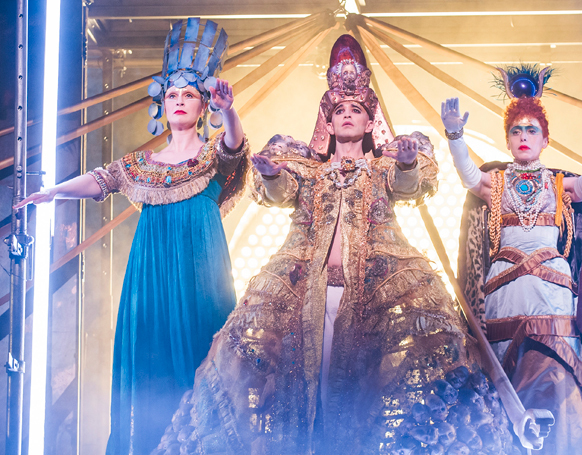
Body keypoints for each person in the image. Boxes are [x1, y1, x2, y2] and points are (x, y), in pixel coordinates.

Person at [152, 34, 522, 455]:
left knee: (365, 399)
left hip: (373, 301)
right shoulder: (309, 169)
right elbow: (280, 192)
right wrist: (273, 173)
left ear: (369, 122)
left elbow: (409, 184)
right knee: (310, 400)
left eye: (357, 110)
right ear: (328, 123)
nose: (348, 115)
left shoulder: (382, 166)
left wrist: (402, 162)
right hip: (304, 298)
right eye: (340, 110)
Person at [16, 18, 249, 455]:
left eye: (190, 96)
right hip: (152, 274)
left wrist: (230, 110)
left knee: (206, 356)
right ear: (161, 102)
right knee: (152, 363)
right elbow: (101, 180)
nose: (180, 101)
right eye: (173, 94)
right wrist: (52, 191)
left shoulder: (213, 156)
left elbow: (235, 146)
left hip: (201, 273)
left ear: (204, 107)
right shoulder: (142, 165)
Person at [444, 65, 582, 455]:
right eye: (516, 130)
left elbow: (581, 190)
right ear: (508, 142)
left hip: (552, 289)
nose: (524, 136)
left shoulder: (554, 182)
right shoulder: (496, 183)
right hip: (506, 288)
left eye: (532, 130)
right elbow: (467, 176)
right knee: (507, 371)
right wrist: (455, 136)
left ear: (545, 140)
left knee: (557, 372)